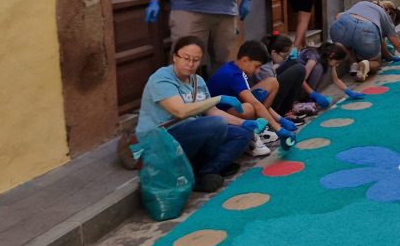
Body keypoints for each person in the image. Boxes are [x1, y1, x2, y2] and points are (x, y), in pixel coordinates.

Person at [137, 36, 253, 193]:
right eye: (186, 58)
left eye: (196, 60)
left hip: (191, 131)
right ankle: (201, 168)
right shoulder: (161, 78)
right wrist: (217, 99)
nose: (190, 64)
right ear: (174, 57)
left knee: (243, 134)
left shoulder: (197, 80)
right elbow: (180, 111)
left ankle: (205, 172)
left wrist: (243, 123)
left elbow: (213, 111)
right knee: (215, 125)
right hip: (161, 138)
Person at [207, 40, 297, 156]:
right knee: (248, 107)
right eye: (257, 66)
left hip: (232, 109)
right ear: (245, 60)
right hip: (219, 115)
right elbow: (255, 104)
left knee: (272, 82)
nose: (258, 70)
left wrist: (280, 120)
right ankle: (251, 137)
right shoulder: (233, 75)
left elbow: (256, 102)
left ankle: (260, 126)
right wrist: (279, 129)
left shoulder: (236, 69)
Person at [330, 0, 400, 81]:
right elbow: (398, 45)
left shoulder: (364, 3)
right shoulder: (387, 18)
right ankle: (366, 64)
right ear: (393, 16)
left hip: (341, 25)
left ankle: (353, 65)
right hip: (366, 30)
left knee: (346, 45)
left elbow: (337, 16)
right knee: (376, 62)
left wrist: (389, 57)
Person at [257, 33, 324, 118]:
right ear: (274, 52)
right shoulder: (265, 69)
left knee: (293, 63)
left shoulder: (271, 63)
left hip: (271, 99)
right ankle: (283, 112)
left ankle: (287, 109)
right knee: (299, 69)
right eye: (284, 56)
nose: (285, 58)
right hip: (268, 105)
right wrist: (279, 120)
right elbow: (268, 94)